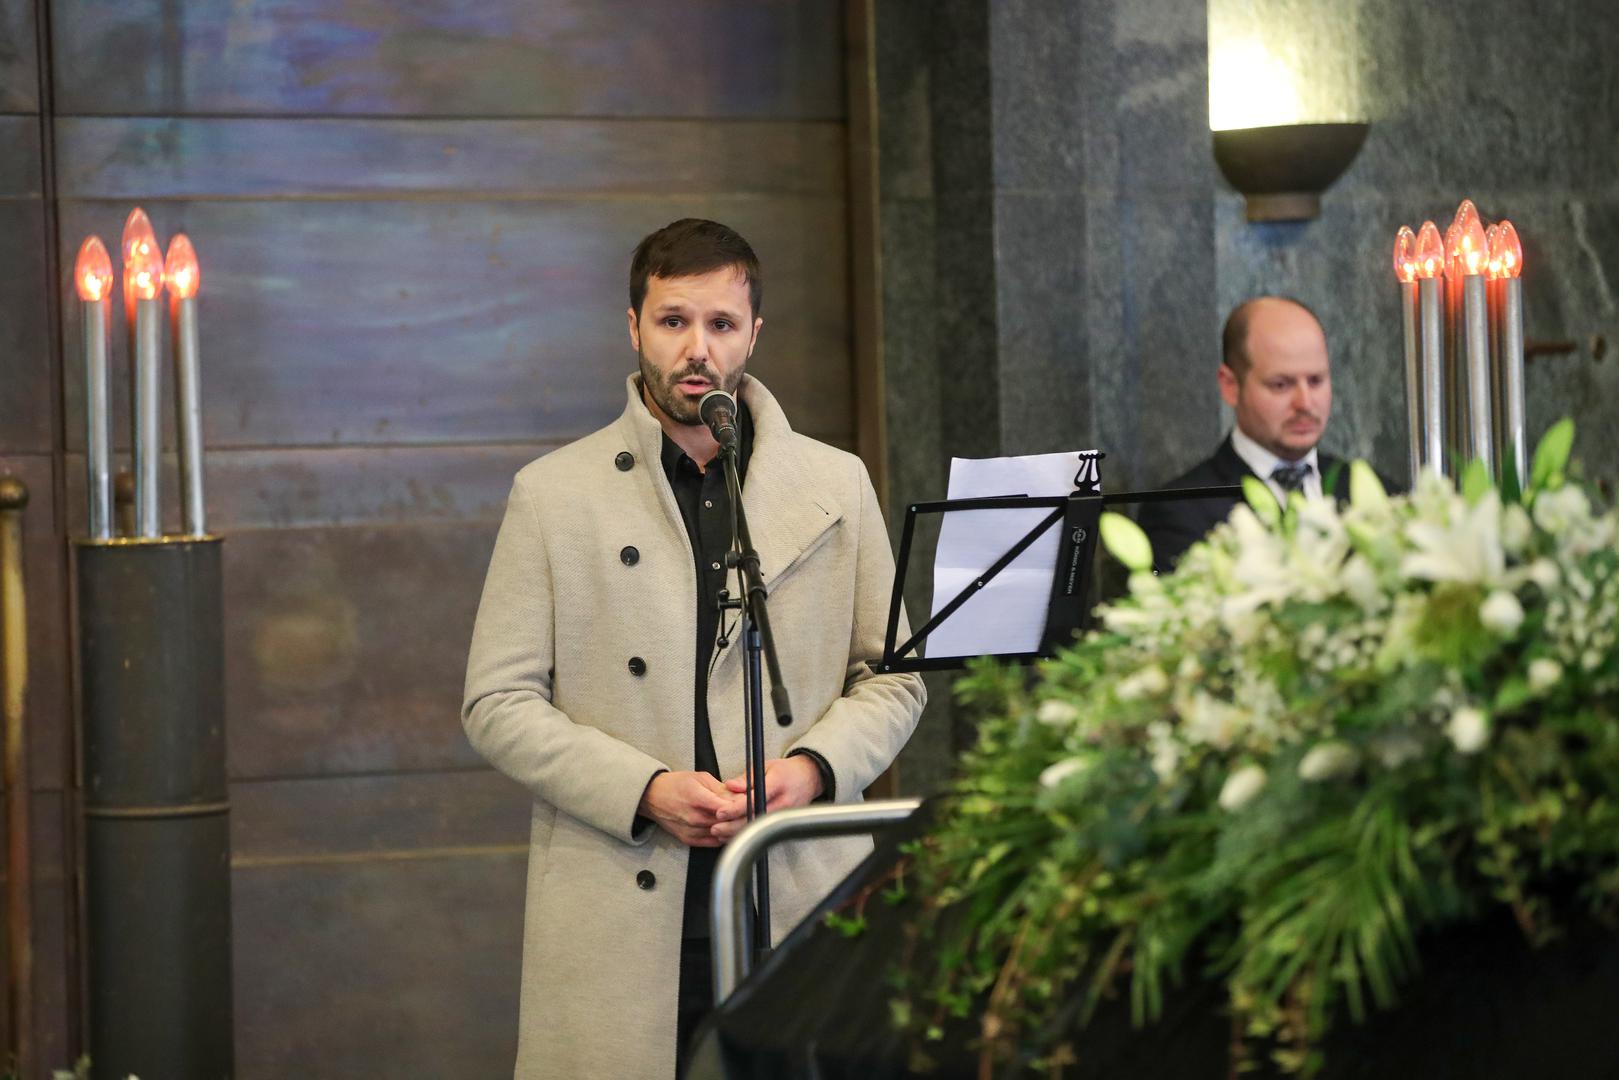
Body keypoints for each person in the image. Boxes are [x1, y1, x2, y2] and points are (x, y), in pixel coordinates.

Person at [461, 218, 926, 1080]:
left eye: (720, 323)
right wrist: (643, 789)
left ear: (754, 334)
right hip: (628, 893)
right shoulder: (554, 495)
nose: (696, 349)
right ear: (632, 327)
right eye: (673, 320)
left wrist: (812, 770)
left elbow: (894, 678)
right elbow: (496, 702)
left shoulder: (834, 483)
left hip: (798, 884)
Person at [1137, 296, 1349, 571]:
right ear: (1230, 386)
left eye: (1316, 381)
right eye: (1281, 385)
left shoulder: (1375, 493)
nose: (1305, 403)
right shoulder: (1179, 511)